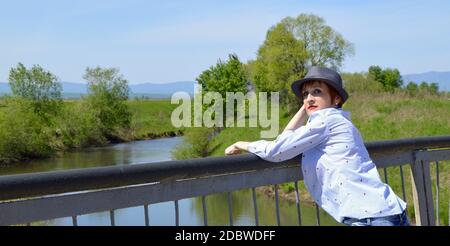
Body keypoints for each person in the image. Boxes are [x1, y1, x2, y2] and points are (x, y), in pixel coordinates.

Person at [225, 66, 410, 226]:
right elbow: (284, 141)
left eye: (317, 92)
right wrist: (307, 107)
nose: (309, 98)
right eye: (305, 94)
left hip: (371, 218)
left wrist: (242, 144)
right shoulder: (339, 121)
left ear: (336, 99)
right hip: (385, 212)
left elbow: (276, 150)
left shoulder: (325, 121)